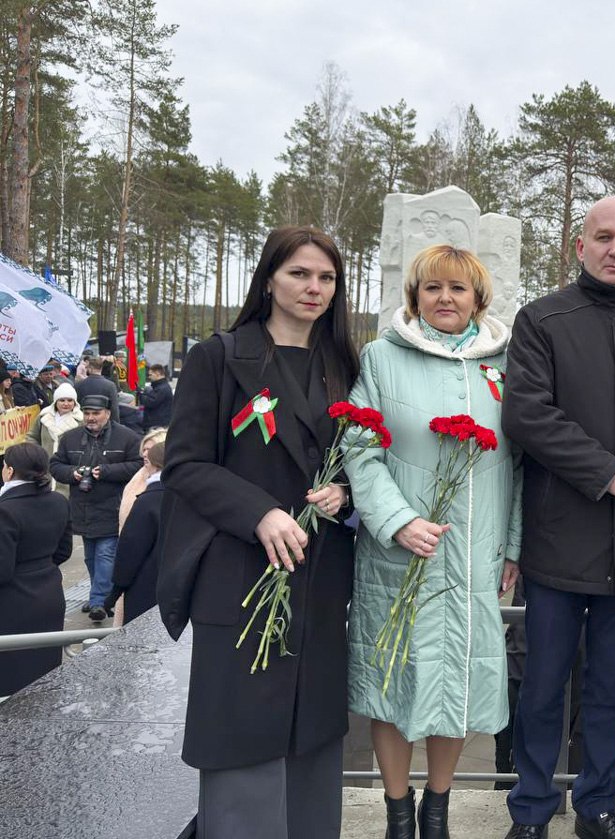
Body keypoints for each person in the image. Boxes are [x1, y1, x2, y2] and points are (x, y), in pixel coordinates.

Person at [159, 225, 359, 839]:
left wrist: (347, 492)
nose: (313, 288)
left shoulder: (345, 364)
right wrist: (258, 512)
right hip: (241, 579)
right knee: (242, 736)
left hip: (320, 582)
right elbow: (186, 464)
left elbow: (362, 456)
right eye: (299, 273)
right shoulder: (219, 356)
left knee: (314, 738)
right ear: (269, 277)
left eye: (326, 277)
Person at [501, 196, 615, 839]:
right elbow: (526, 415)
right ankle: (530, 809)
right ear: (579, 246)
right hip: (559, 540)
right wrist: (610, 472)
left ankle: (599, 807)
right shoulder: (543, 320)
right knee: (544, 686)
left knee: (613, 685)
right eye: (603, 237)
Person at [344, 244, 522, 839]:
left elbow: (521, 465)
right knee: (394, 681)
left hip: (476, 552)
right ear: (414, 296)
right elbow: (360, 448)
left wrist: (513, 545)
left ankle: (437, 807)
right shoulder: (380, 358)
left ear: (478, 298)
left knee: (459, 681)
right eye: (432, 288)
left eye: (458, 289)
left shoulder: (502, 366)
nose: (445, 298)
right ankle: (398, 810)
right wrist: (397, 520)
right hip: (400, 552)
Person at [48, 394, 142, 622]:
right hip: (82, 508)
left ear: (107, 413)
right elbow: (55, 465)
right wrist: (73, 473)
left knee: (105, 554)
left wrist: (107, 472)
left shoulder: (127, 437)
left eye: (95, 413)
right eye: (87, 413)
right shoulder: (70, 438)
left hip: (112, 506)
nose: (90, 418)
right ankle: (97, 596)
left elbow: (139, 465)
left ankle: (100, 601)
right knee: (91, 557)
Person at [0, 443, 73, 696]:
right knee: (45, 678)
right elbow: (64, 551)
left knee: (12, 681)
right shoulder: (58, 501)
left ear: (9, 471)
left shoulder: (5, 509)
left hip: (12, 603)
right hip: (50, 594)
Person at [106, 442, 165, 623]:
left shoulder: (148, 501)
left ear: (152, 464)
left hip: (147, 586)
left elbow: (131, 550)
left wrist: (115, 592)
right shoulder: (190, 495)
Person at [27, 383, 83, 496]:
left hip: (69, 467)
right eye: (62, 400)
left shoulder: (81, 421)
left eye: (70, 400)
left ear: (75, 402)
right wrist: (36, 454)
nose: (66, 404)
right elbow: (32, 436)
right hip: (44, 465)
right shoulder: (43, 417)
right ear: (56, 401)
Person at [119, 427, 168, 531]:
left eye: (150, 450)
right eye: (144, 450)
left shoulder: (171, 480)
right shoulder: (138, 477)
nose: (145, 454)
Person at [141, 363, 173, 428]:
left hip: (157, 425)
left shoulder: (162, 388)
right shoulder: (160, 387)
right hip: (157, 423)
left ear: (157, 373)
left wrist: (141, 395)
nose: (149, 377)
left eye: (150, 375)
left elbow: (150, 402)